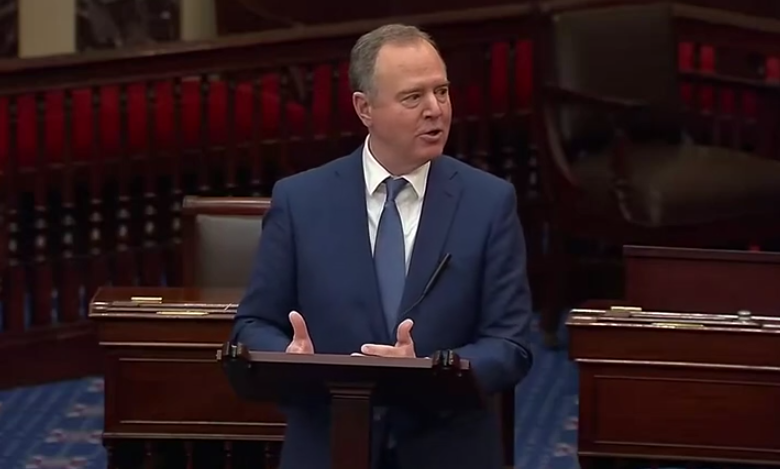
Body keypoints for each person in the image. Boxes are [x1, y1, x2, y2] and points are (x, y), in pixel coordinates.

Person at [231, 23, 533, 469]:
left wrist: (433, 370)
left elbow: (511, 345)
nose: (435, 110)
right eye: (413, 97)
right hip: (330, 443)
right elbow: (252, 324)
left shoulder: (489, 202)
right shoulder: (300, 201)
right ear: (364, 108)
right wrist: (289, 360)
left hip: (445, 448)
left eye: (442, 92)